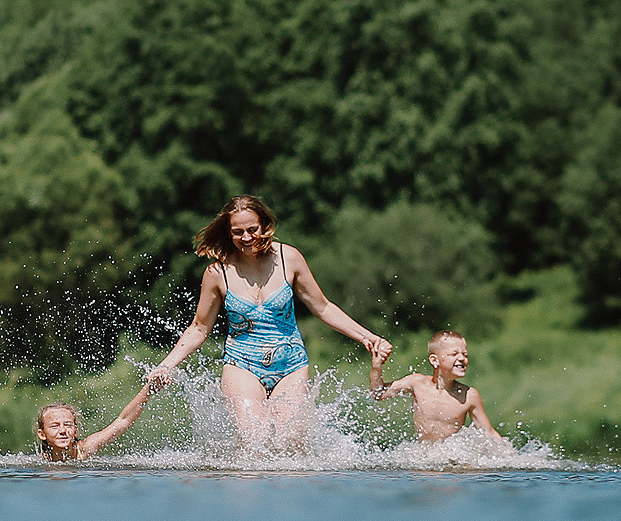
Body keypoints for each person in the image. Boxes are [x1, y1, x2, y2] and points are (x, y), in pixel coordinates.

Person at [152, 195, 393, 451]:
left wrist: (369, 338)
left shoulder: (288, 258)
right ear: (228, 232)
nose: (246, 238)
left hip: (291, 364)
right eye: (238, 232)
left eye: (252, 229)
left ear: (264, 225)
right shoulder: (217, 272)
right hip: (242, 364)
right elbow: (199, 328)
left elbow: (322, 306)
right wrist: (166, 365)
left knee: (289, 442)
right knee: (253, 441)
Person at [371, 331, 508, 446]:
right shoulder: (416, 382)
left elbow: (487, 432)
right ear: (434, 360)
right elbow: (378, 394)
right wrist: (377, 367)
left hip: (451, 460)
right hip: (422, 457)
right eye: (454, 354)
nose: (462, 358)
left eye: (465, 354)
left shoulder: (469, 395)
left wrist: (511, 457)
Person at [36, 370, 171, 462]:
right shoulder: (40, 462)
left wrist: (148, 389)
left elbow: (123, 421)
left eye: (68, 425)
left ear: (75, 431)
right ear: (42, 434)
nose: (63, 431)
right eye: (54, 426)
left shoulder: (85, 449)